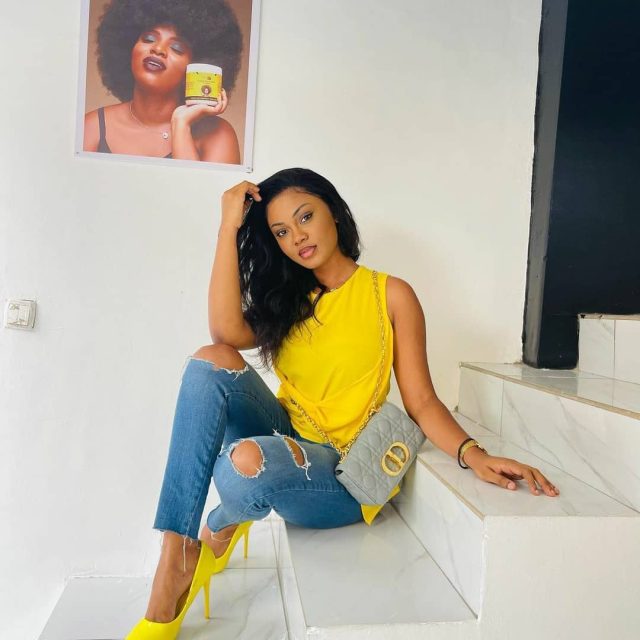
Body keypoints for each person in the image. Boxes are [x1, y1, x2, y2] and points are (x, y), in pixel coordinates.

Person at [125, 168, 561, 638]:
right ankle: (176, 553)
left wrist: (474, 454)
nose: (298, 237)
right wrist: (228, 226)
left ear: (333, 211)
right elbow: (225, 333)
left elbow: (421, 401)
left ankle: (223, 523)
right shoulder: (289, 300)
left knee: (243, 465)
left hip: (341, 472)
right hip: (285, 436)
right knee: (211, 360)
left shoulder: (390, 295)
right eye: (281, 232)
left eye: (305, 217)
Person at [83, 0, 243, 163]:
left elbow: (192, 181)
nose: (158, 49)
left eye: (177, 48)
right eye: (149, 38)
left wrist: (181, 124)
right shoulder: (92, 127)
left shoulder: (218, 135)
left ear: (195, 67)